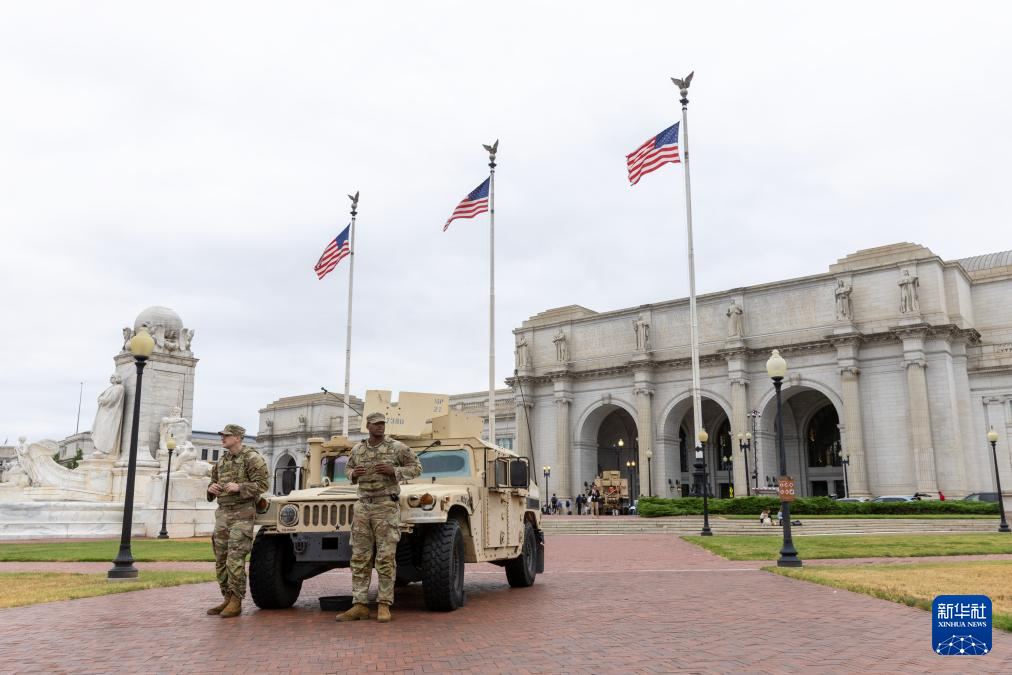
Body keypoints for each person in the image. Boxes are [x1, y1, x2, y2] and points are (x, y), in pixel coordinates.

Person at [337, 412, 421, 623]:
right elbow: (347, 469)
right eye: (376, 424)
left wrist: (395, 471)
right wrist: (353, 474)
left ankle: (384, 604)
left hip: (386, 506)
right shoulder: (358, 449)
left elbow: (417, 468)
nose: (380, 427)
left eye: (382, 424)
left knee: (385, 557)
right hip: (363, 506)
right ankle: (359, 604)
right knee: (359, 557)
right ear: (368, 426)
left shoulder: (397, 447)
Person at [206, 423, 268, 618]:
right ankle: (226, 597)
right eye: (222, 435)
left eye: (227, 435)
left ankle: (236, 600)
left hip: (242, 513)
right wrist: (211, 489)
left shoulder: (252, 458)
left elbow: (263, 484)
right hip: (223, 513)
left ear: (238, 438)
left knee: (235, 558)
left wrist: (240, 487)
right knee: (221, 558)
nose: (222, 438)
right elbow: (212, 482)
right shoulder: (222, 461)